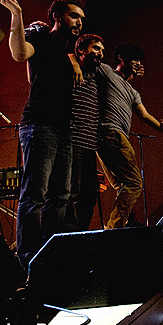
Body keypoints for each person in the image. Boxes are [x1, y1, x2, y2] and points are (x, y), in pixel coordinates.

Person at [0, 0, 84, 268]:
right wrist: (17, 14)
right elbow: (20, 53)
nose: (79, 22)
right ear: (57, 16)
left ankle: (51, 257)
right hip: (39, 125)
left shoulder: (64, 50)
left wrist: (74, 59)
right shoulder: (41, 36)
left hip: (64, 129)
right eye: (74, 16)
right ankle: (29, 261)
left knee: (61, 197)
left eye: (81, 18)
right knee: (35, 196)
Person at [95, 43, 163, 229]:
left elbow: (144, 115)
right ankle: (113, 229)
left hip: (105, 139)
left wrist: (162, 128)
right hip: (112, 133)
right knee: (134, 183)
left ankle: (116, 226)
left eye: (140, 61)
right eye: (134, 59)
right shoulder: (107, 72)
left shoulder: (132, 92)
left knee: (123, 185)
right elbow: (83, 61)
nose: (138, 63)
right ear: (121, 58)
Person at [66, 33, 105, 230]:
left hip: (90, 145)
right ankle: (69, 237)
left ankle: (80, 234)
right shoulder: (70, 69)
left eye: (102, 50)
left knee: (89, 196)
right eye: (96, 48)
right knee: (72, 192)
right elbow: (63, 55)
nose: (100, 53)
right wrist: (72, 60)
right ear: (81, 49)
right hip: (73, 140)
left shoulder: (94, 75)